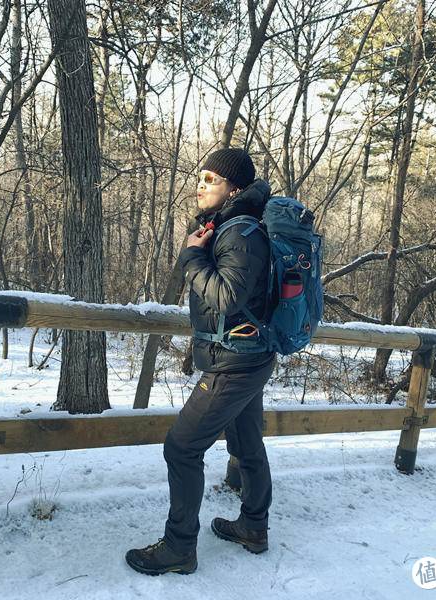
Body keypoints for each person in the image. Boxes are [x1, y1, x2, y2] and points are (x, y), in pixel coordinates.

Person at [125, 148, 276, 576]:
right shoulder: (234, 225)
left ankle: (178, 548)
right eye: (201, 176)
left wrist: (191, 256)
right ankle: (253, 526)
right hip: (248, 355)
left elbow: (228, 296)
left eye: (211, 178)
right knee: (247, 444)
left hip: (235, 361)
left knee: (182, 447)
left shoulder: (240, 231)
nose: (200, 185)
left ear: (234, 187)